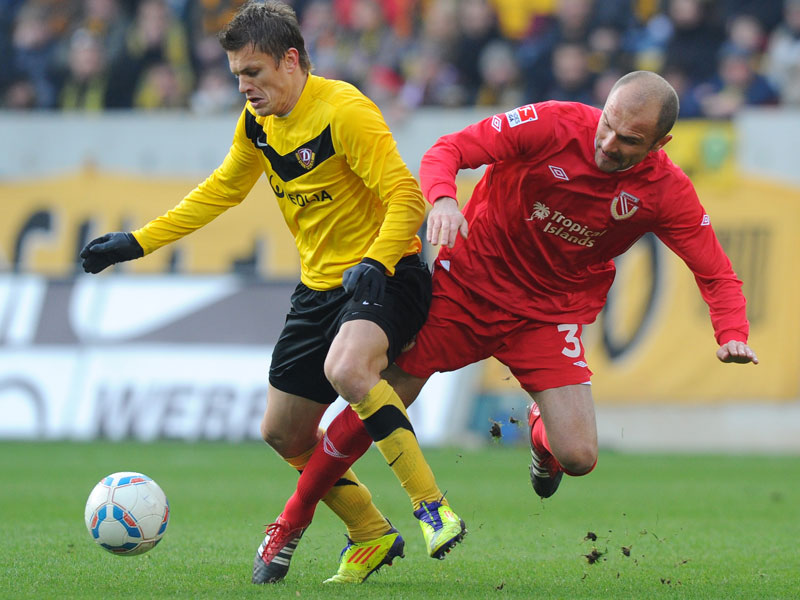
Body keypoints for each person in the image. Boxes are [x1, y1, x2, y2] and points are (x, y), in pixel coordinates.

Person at [267, 70, 759, 544]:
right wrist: (442, 200)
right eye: (608, 124)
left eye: (630, 140)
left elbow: (715, 271)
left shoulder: (666, 191)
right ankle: (291, 522)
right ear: (603, 107)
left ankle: (541, 439)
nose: (609, 144)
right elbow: (450, 149)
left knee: (581, 456)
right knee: (381, 396)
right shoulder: (552, 123)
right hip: (467, 291)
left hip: (548, 314)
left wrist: (731, 331)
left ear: (659, 145)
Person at [79, 0, 465, 586]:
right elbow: (222, 190)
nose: (243, 87)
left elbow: (407, 198)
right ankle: (371, 532)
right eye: (236, 74)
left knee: (349, 368)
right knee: (282, 432)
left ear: (291, 61)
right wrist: (138, 242)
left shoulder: (345, 112)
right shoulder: (258, 122)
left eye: (252, 73)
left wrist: (375, 261)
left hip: (387, 273)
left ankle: (431, 507)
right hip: (318, 288)